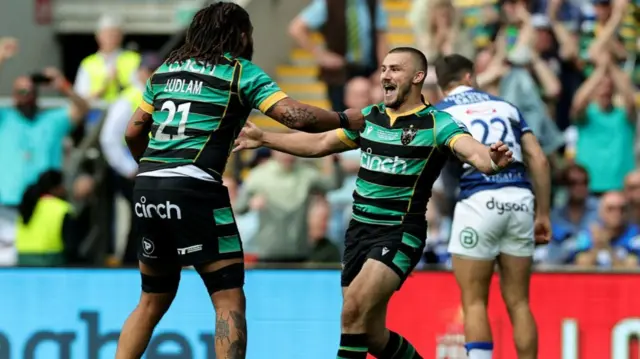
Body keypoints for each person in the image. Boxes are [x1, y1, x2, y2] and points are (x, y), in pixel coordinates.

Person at [115, 3, 363, 359]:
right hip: (195, 188)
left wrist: (153, 170)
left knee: (151, 299)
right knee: (227, 296)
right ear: (241, 35)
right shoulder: (239, 73)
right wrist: (344, 117)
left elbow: (132, 130)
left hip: (149, 188)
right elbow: (295, 116)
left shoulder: (165, 72)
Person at [233, 47, 514, 359]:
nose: (385, 75)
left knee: (352, 311)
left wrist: (491, 160)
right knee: (371, 334)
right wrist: (265, 138)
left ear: (418, 77)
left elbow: (473, 151)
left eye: (394, 69)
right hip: (358, 233)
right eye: (383, 68)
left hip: (399, 232)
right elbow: (320, 143)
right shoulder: (370, 117)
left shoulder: (437, 124)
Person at [433, 54, 552, 359]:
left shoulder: (440, 111)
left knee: (474, 301)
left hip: (478, 201)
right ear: (470, 76)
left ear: (442, 83)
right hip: (520, 198)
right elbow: (538, 159)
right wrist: (544, 214)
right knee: (520, 302)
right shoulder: (506, 106)